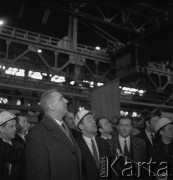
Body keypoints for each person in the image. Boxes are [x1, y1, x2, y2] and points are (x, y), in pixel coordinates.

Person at [25, 89, 82, 180]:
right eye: (61, 98)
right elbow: (38, 174)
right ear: (51, 106)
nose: (66, 101)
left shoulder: (65, 129)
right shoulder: (37, 133)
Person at [74, 110, 111, 180]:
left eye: (93, 119)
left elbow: (108, 168)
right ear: (81, 126)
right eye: (89, 120)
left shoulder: (104, 142)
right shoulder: (75, 145)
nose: (93, 122)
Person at [0, 111, 24, 180]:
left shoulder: (20, 146)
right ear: (1, 129)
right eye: (11, 126)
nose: (15, 129)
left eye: (15, 126)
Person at [12, 113, 30, 180]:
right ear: (16, 124)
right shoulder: (14, 140)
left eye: (27, 121)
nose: (28, 124)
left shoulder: (28, 137)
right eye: (24, 121)